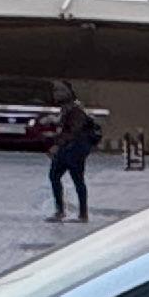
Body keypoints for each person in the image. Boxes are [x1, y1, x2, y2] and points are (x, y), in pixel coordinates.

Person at [49, 94, 101, 223]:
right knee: (56, 176)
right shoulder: (72, 113)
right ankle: (67, 211)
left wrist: (57, 144)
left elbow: (72, 132)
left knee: (76, 180)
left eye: (62, 105)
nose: (61, 108)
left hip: (74, 151)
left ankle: (79, 213)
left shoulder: (76, 114)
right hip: (69, 150)